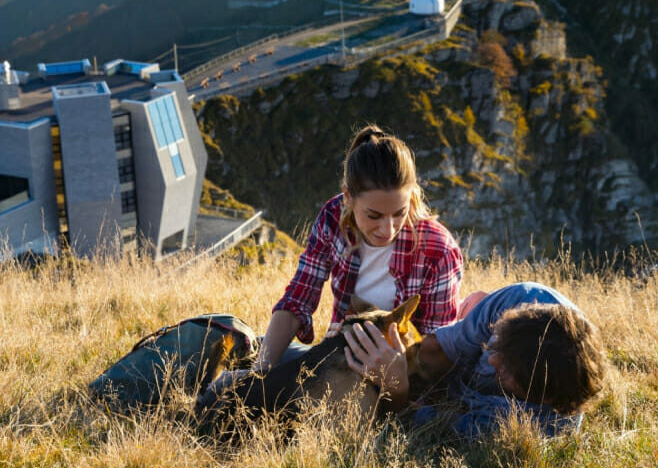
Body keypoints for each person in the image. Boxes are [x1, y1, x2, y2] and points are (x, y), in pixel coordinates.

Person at [253, 124, 464, 372]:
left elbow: (435, 351)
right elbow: (299, 297)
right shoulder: (333, 218)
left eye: (400, 213)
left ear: (412, 197)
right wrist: (259, 372)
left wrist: (377, 356)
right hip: (339, 360)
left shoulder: (439, 250)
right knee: (251, 355)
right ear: (348, 197)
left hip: (402, 376)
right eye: (373, 216)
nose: (388, 229)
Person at [342, 281, 608, 439]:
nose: (492, 362)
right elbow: (437, 350)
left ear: (538, 397)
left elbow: (422, 424)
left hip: (468, 401)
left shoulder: (536, 426)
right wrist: (399, 355)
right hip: (462, 352)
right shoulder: (519, 300)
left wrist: (396, 388)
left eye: (505, 371)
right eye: (495, 348)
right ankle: (467, 307)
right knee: (474, 306)